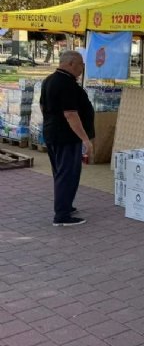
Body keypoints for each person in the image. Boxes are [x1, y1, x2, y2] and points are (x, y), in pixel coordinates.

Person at [40, 51, 95, 226]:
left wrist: (52, 121)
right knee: (67, 174)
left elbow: (43, 106)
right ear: (71, 63)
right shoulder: (66, 84)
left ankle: (65, 205)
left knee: (61, 172)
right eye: (80, 64)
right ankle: (62, 215)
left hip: (53, 133)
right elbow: (71, 114)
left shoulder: (49, 80)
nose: (82, 68)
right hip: (66, 137)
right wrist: (85, 139)